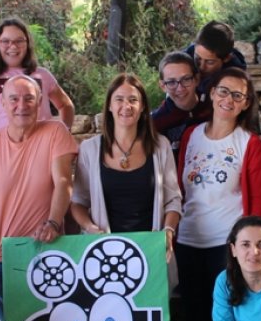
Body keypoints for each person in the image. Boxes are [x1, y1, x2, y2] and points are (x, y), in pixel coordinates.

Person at [175, 68, 261, 321]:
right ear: (211, 93)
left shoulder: (250, 144)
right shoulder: (190, 136)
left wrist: (248, 254)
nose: (229, 100)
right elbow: (180, 192)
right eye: (224, 92)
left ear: (245, 104)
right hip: (188, 243)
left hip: (225, 248)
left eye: (238, 96)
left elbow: (257, 208)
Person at [0, 74, 78, 321]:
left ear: (40, 102)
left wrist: (54, 222)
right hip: (1, 260)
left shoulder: (55, 132)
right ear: (2, 103)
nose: (21, 105)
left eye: (29, 99)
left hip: (49, 251)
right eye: (14, 99)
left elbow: (64, 181)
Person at [71, 74, 182, 241]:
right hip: (104, 249)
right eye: (119, 99)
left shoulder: (161, 146)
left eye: (133, 100)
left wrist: (168, 231)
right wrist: (89, 227)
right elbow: (78, 201)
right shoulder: (90, 149)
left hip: (151, 249)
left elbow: (173, 200)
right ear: (109, 105)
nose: (126, 106)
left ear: (143, 106)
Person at [0, 17, 75, 128]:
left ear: (27, 43)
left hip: (43, 143)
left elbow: (65, 105)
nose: (13, 46)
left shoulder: (42, 75)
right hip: (5, 144)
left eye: (19, 41)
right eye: (5, 41)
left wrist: (64, 132)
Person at [152, 51, 210, 156]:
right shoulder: (156, 123)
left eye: (186, 79)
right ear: (163, 86)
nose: (180, 88)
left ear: (197, 79)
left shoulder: (213, 109)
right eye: (171, 82)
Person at [184, 20, 248, 93]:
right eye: (198, 58)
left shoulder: (235, 77)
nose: (201, 67)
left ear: (227, 58)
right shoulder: (185, 56)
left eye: (209, 62)